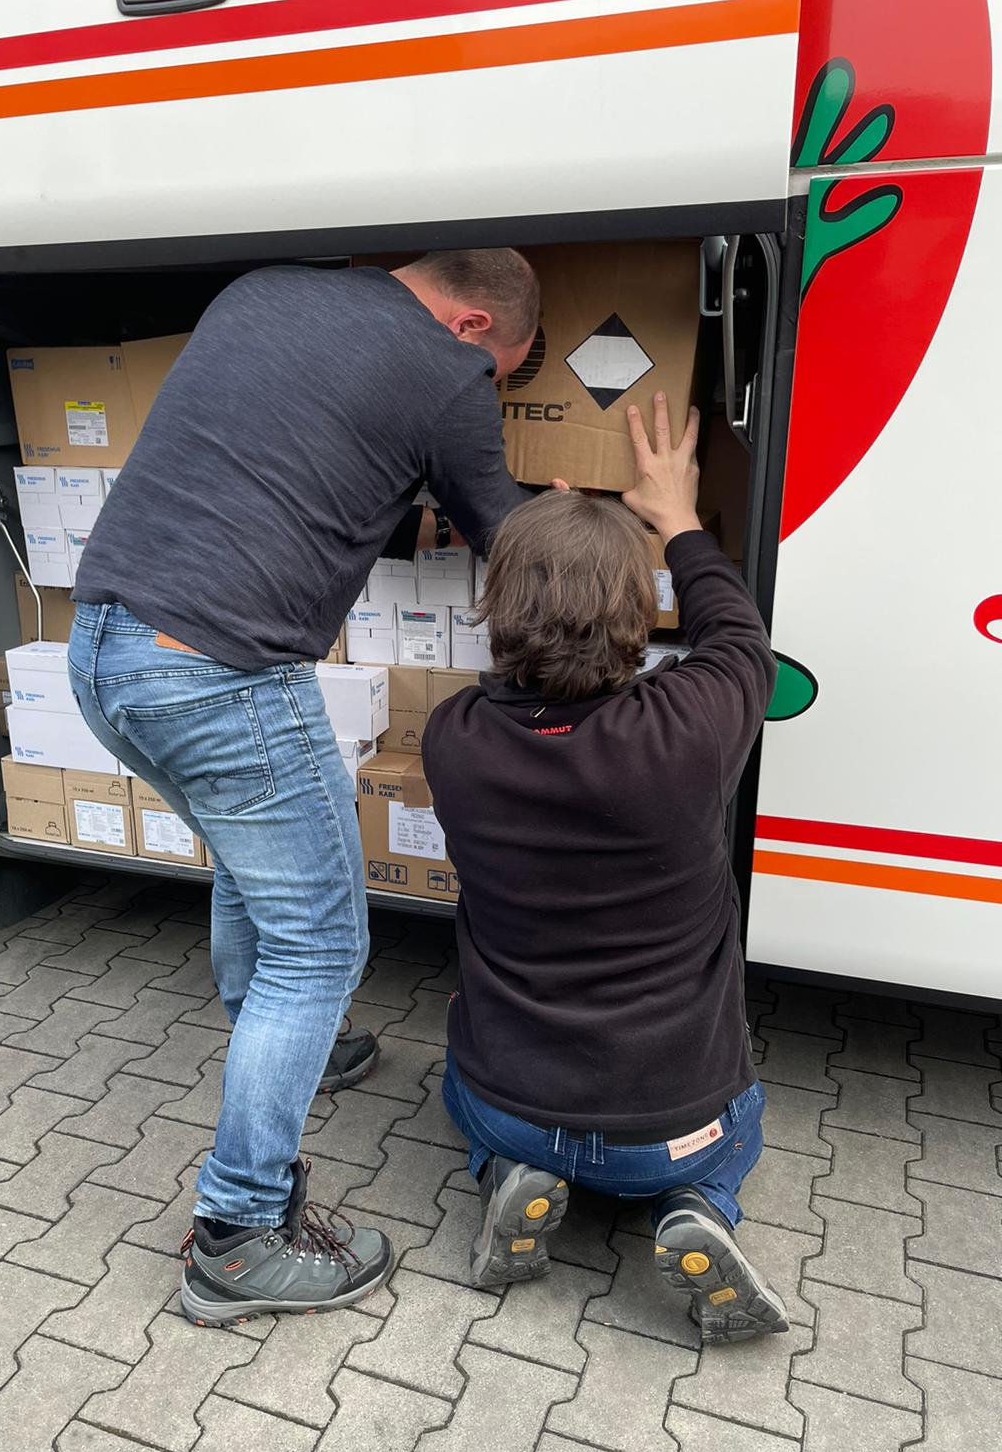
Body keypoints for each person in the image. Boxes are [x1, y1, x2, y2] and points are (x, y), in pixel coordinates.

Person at [67, 249, 540, 1325]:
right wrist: (578, 520)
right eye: (503, 373)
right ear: (472, 326)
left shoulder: (265, 291)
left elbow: (306, 467)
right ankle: (238, 1237)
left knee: (258, 872)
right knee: (321, 946)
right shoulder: (446, 373)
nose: (491, 390)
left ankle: (286, 1056)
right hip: (219, 674)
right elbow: (512, 541)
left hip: (103, 652)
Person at [422, 395, 790, 1344]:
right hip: (675, 1130)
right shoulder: (689, 729)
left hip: (513, 1108)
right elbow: (738, 635)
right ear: (641, 612)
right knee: (736, 1127)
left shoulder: (454, 739)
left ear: (496, 605)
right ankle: (699, 1206)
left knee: (453, 1072)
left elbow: (528, 664)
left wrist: (549, 540)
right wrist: (674, 519)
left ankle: (511, 1176)